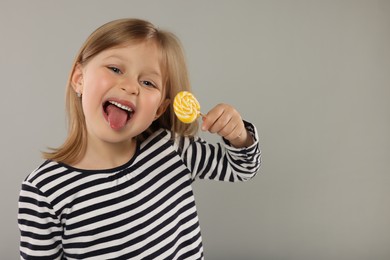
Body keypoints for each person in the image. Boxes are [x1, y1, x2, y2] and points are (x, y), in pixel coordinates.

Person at [18, 18, 261, 260]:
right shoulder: (45, 189)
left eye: (147, 82)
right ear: (79, 79)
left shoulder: (171, 149)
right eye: (115, 69)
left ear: (158, 110)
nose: (130, 87)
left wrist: (238, 134)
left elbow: (242, 168)